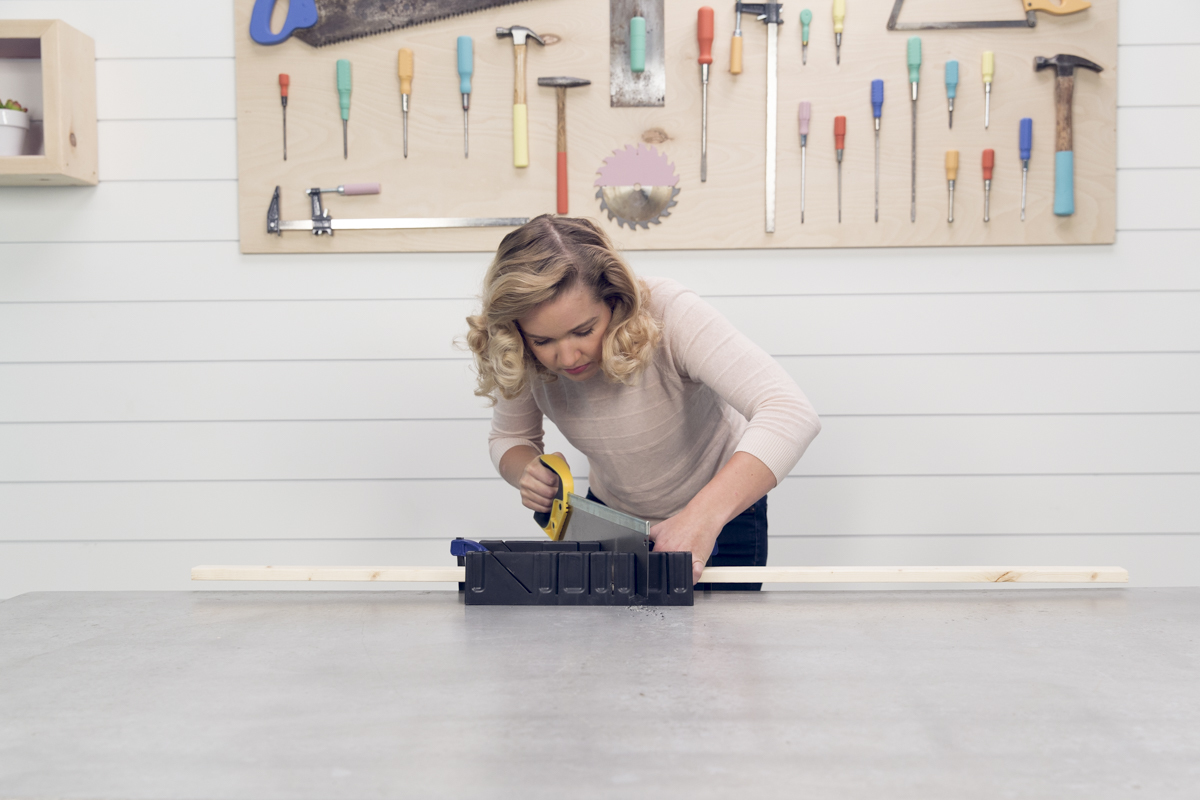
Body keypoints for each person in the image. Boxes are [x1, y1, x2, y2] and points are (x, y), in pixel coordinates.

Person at [464, 216, 821, 587]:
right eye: (543, 341)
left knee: (721, 641)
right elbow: (509, 438)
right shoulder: (516, 347)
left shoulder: (670, 312)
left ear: (616, 301)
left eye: (584, 331)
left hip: (723, 515)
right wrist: (526, 471)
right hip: (611, 521)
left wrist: (702, 518)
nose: (568, 357)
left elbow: (789, 412)